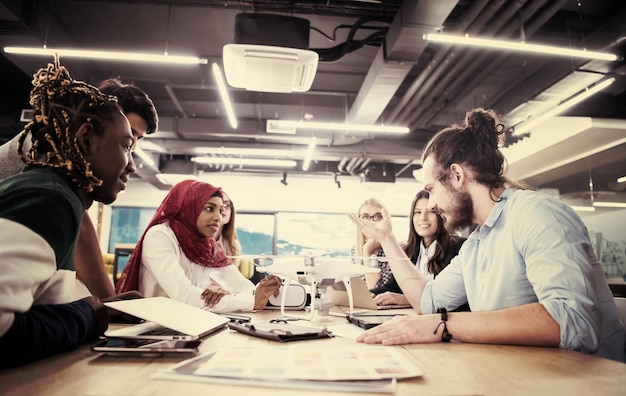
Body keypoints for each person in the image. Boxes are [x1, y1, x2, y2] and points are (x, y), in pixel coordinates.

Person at [349, 108, 625, 362]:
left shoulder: (536, 214)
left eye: (432, 189)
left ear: (457, 175)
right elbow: (427, 301)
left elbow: (575, 324)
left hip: (588, 381)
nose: (431, 204)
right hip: (522, 375)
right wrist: (386, 238)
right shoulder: (477, 243)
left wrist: (445, 325)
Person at [0, 59, 136, 368]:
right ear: (87, 139)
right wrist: (87, 315)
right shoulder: (48, 198)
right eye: (127, 146)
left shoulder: (60, 196)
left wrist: (104, 308)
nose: (132, 165)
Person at [0, 77, 158, 299]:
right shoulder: (49, 143)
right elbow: (79, 225)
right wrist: (106, 302)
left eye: (136, 139)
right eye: (128, 136)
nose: (132, 150)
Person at [115, 180, 281, 312]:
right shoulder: (160, 236)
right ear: (189, 207)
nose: (218, 217)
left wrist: (232, 294)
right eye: (209, 208)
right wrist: (248, 302)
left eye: (220, 210)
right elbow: (184, 296)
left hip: (191, 325)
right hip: (152, 331)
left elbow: (245, 288)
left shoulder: (206, 245)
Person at [371, 190, 467, 309]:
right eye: (417, 212)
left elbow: (449, 298)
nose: (423, 218)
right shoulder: (408, 250)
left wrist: (406, 299)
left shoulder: (459, 248)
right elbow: (392, 286)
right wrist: (372, 294)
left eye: (431, 212)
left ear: (441, 215)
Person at [352, 198, 392, 290]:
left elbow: (375, 289)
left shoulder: (397, 250)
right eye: (365, 217)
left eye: (378, 217)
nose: (371, 222)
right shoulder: (356, 249)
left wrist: (367, 251)